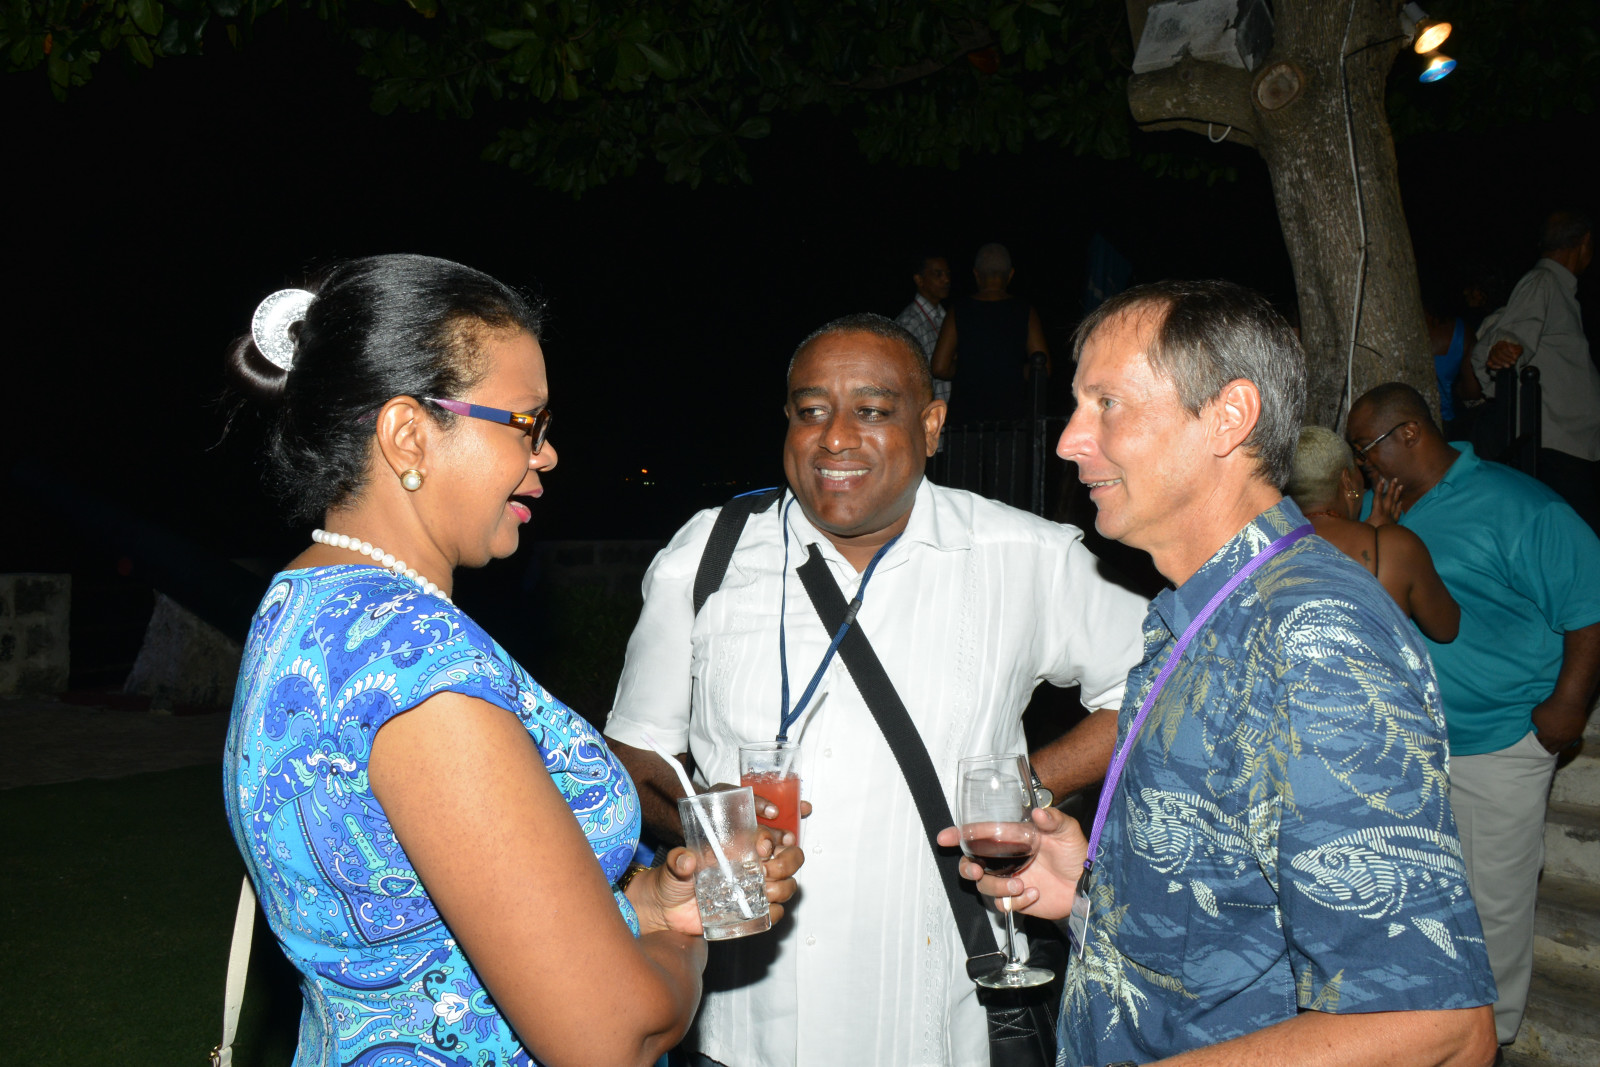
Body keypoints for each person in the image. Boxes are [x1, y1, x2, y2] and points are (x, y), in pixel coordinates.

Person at [220, 254, 801, 1067]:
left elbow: (429, 923)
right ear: (408, 434)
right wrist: (689, 930)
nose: (549, 454)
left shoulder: (305, 602)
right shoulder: (420, 677)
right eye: (527, 423)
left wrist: (645, 899)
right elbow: (614, 1036)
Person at [941, 280, 1498, 1067]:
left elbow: (1434, 1026)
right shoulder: (1203, 612)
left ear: (1229, 416)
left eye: (1107, 404)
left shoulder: (1309, 637)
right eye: (1076, 405)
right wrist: (1094, 895)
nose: (1068, 440)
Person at [603, 312, 1149, 1067]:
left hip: (942, 1026)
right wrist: (707, 822)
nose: (834, 438)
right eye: (810, 411)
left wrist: (1021, 788)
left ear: (931, 426)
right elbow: (635, 752)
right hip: (743, 1031)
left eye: (871, 410)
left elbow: (1160, 686)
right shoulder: (708, 555)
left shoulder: (1025, 555)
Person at [1348, 381, 1600, 1052]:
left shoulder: (1520, 506)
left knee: (1495, 904)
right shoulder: (1380, 508)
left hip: (1498, 741)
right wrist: (1378, 530)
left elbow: (1589, 603)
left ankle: (1494, 1041)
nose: (1360, 464)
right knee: (1422, 901)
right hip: (1412, 747)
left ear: (1409, 433)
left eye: (1366, 448)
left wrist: (1568, 704)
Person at [1472, 210, 1600, 530]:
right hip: (1557, 447)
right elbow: (1513, 332)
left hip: (1565, 446)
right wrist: (1504, 348)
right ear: (1585, 242)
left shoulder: (1554, 287)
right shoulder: (1543, 281)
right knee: (1579, 536)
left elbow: (1502, 326)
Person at [1286, 425, 1460, 642]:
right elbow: (1446, 628)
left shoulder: (1262, 545)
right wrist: (1380, 537)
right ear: (1347, 481)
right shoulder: (1394, 548)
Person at [931, 242, 1050, 424]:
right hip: (1011, 422)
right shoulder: (1026, 312)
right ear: (1010, 275)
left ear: (976, 274)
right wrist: (1009, 371)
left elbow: (939, 368)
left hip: (965, 424)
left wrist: (971, 369)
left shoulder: (958, 310)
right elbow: (1043, 368)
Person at [894, 252, 953, 407]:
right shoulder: (909, 323)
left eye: (947, 274)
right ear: (919, 280)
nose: (946, 280)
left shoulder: (944, 316)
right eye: (938, 274)